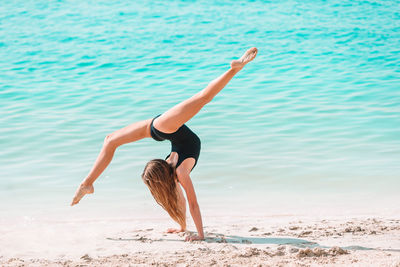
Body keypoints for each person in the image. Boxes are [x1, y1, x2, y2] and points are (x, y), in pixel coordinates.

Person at [71, 47, 258, 241]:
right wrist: (184, 228)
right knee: (110, 140)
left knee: (202, 98)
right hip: (162, 130)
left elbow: (191, 203)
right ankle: (87, 183)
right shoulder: (179, 175)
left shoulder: (178, 175)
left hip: (167, 130)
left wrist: (200, 235)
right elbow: (188, 202)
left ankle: (235, 69)